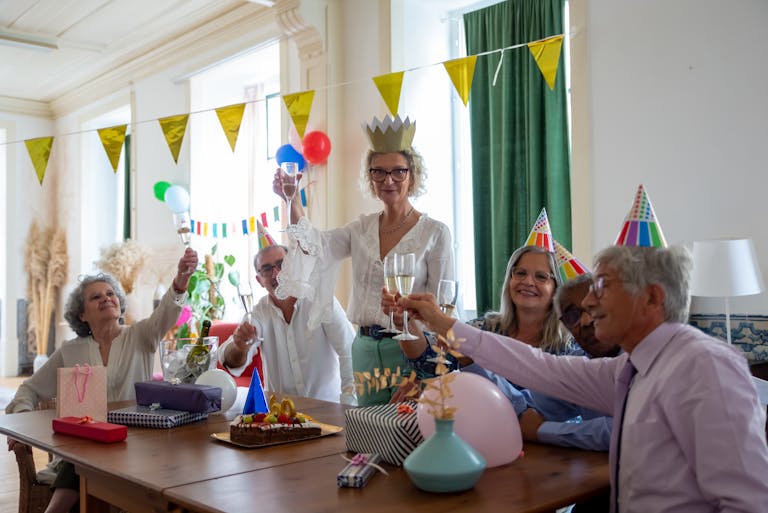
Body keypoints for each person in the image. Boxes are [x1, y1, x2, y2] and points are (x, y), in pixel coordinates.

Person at [401, 244, 768, 512]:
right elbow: (538, 368)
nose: (589, 303)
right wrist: (443, 324)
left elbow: (747, 501)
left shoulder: (704, 366)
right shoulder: (629, 368)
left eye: (603, 286)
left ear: (652, 298)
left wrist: (538, 429)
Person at [273, 115, 454, 406]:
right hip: (364, 350)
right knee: (371, 439)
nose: (388, 180)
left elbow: (444, 310)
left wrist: (422, 373)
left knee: (408, 435)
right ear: (370, 176)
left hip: (410, 350)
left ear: (413, 174)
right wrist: (291, 199)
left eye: (398, 171)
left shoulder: (435, 233)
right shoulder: (361, 228)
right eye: (378, 172)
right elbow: (316, 245)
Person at [6, 247, 198, 513]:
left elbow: (167, 312)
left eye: (110, 294)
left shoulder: (142, 335)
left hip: (135, 445)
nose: (106, 299)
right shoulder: (70, 350)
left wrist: (181, 279)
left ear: (119, 303)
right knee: (86, 460)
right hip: (83, 449)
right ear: (82, 315)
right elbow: (27, 390)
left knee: (90, 467)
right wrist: (24, 429)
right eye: (96, 297)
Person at [394, 246, 616, 451]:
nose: (586, 321)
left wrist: (541, 430)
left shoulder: (573, 349)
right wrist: (463, 356)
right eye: (520, 273)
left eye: (541, 276)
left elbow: (614, 431)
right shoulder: (487, 326)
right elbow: (525, 403)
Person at [218, 244, 356, 405]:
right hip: (282, 418)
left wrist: (348, 405)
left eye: (281, 264)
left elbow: (349, 350)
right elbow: (231, 362)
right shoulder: (259, 313)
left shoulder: (320, 299)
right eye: (267, 269)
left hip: (328, 410)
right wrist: (240, 347)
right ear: (259, 280)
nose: (276, 273)